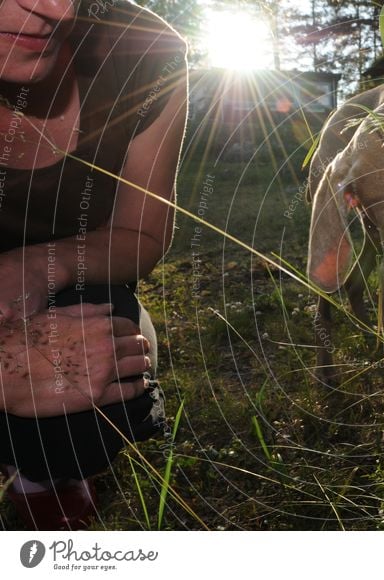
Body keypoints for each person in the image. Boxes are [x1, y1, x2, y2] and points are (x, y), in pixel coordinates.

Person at [0, 0, 187, 530]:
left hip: (77, 284)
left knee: (87, 398)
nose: (54, 8)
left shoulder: (145, 52)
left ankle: (44, 476)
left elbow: (143, 233)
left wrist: (38, 267)